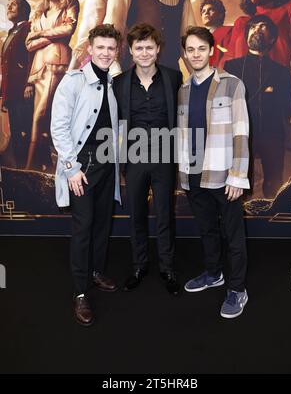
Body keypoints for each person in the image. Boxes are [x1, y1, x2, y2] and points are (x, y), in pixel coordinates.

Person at [50, 24, 121, 326]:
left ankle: (95, 272)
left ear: (116, 51)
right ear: (90, 49)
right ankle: (81, 292)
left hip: (107, 163)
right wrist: (72, 168)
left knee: (103, 222)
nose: (105, 53)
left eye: (111, 48)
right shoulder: (73, 81)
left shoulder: (115, 82)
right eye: (100, 47)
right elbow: (58, 127)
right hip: (81, 165)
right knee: (84, 226)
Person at [178, 26, 250, 318]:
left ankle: (237, 289)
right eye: (190, 49)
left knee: (233, 234)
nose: (196, 54)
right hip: (194, 173)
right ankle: (213, 273)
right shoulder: (182, 90)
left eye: (201, 49)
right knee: (206, 228)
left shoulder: (232, 84)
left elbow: (242, 132)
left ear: (211, 51)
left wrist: (237, 174)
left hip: (224, 173)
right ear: (185, 54)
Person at [113, 23, 182, 295]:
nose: (144, 53)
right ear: (131, 51)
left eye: (149, 47)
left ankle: (167, 268)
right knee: (137, 215)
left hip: (165, 156)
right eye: (139, 48)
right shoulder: (119, 83)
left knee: (165, 214)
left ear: (158, 50)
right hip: (134, 157)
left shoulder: (174, 78)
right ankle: (139, 266)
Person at [224, 15, 291, 197]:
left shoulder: (280, 70)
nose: (256, 29)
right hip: (241, 133)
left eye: (262, 26)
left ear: (272, 38)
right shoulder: (231, 66)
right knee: (239, 183)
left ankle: (271, 221)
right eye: (252, 27)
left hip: (272, 133)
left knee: (274, 182)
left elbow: (289, 105)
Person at [25, 0, 79, 172]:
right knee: (40, 116)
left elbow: (68, 30)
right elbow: (29, 45)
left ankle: (31, 165)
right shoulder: (38, 13)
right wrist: (49, 35)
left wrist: (39, 34)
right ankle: (42, 163)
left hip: (59, 65)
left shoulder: (70, 5)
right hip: (39, 69)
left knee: (44, 115)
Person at [0, 0, 32, 168]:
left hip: (22, 91)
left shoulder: (28, 28)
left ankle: (26, 169)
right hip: (11, 93)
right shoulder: (10, 33)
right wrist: (4, 95)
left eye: (14, 4)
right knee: (15, 133)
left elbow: (31, 57)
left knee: (24, 130)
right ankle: (19, 170)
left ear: (24, 10)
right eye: (8, 4)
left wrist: (29, 83)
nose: (9, 7)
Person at [200, 0, 232, 68]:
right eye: (203, 11)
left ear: (220, 15)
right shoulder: (199, 40)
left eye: (211, 10)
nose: (206, 13)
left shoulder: (229, 31)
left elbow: (231, 58)